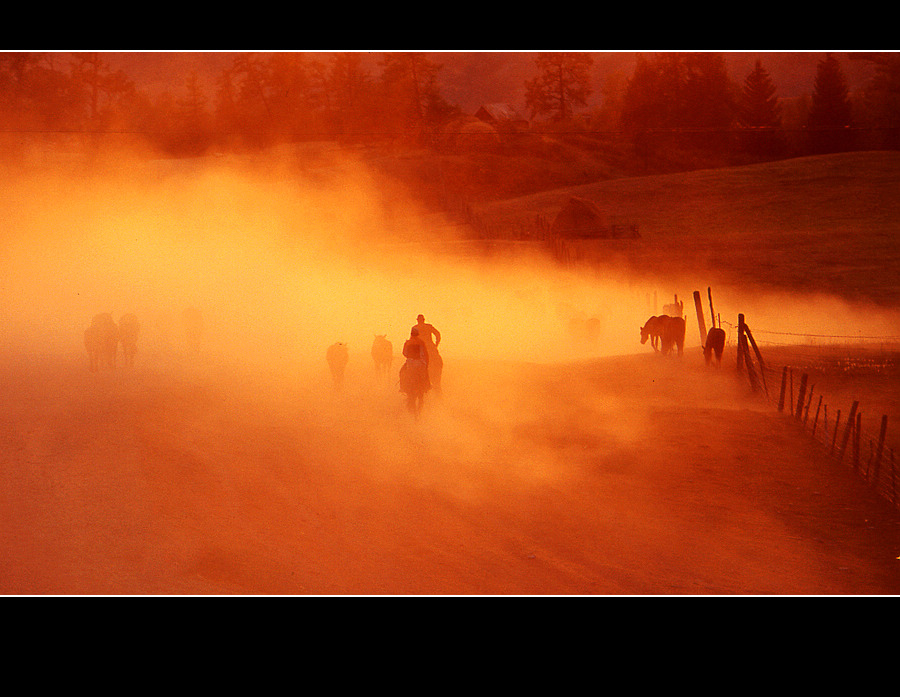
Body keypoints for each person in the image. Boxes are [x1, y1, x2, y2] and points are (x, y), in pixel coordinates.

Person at [399, 327, 430, 415]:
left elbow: (404, 353)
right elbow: (424, 353)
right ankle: (427, 386)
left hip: (410, 364)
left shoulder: (408, 342)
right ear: (418, 334)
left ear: (411, 334)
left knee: (401, 372)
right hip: (420, 363)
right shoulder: (421, 342)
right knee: (426, 374)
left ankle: (403, 387)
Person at [413, 314, 443, 392]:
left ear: (417, 320)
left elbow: (412, 339)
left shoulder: (415, 328)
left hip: (420, 349)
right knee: (439, 362)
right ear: (424, 320)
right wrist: (436, 344)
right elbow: (438, 334)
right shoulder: (429, 327)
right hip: (431, 348)